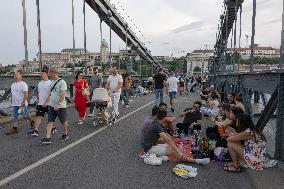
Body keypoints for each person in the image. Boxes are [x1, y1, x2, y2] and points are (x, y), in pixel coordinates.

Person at [140, 110, 210, 165]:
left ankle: (163, 155)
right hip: (149, 148)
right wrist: (178, 152)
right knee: (174, 151)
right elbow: (168, 140)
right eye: (167, 116)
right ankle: (197, 161)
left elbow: (168, 137)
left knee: (171, 146)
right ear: (164, 117)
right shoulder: (156, 125)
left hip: (152, 144)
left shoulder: (156, 122)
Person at [39, 67, 69, 145]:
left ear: (54, 73)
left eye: (49, 73)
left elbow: (63, 94)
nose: (48, 74)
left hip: (60, 106)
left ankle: (66, 133)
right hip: (51, 105)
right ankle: (48, 137)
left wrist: (58, 104)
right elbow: (50, 94)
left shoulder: (62, 82)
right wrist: (46, 102)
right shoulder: (52, 82)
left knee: (63, 121)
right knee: (50, 121)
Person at [6, 70, 34, 135]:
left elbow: (26, 94)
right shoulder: (13, 85)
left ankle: (32, 122)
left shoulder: (23, 84)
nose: (16, 76)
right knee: (14, 116)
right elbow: (13, 94)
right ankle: (14, 128)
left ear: (21, 76)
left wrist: (23, 102)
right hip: (14, 104)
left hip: (22, 103)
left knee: (26, 115)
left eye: (17, 75)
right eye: (15, 75)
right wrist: (11, 102)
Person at [28, 67, 52, 136]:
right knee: (38, 116)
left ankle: (53, 127)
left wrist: (47, 102)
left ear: (47, 74)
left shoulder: (50, 83)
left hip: (48, 103)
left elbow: (50, 94)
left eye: (43, 73)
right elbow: (38, 92)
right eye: (41, 73)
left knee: (50, 117)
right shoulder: (40, 83)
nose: (41, 75)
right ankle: (36, 130)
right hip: (40, 103)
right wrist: (37, 101)